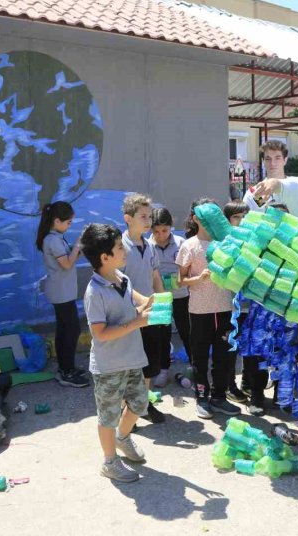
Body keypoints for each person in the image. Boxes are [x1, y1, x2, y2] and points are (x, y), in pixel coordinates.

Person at [80, 223, 154, 483]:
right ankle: (110, 462)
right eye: (120, 248)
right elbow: (100, 333)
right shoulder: (95, 292)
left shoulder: (123, 279)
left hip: (132, 358)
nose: (125, 251)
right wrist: (137, 322)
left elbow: (135, 308)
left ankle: (123, 437)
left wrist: (151, 305)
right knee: (108, 416)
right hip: (109, 366)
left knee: (140, 404)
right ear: (105, 257)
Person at [176, 199, 241, 419]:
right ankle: (202, 398)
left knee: (223, 356)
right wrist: (198, 279)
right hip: (199, 311)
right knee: (200, 358)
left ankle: (219, 397)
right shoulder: (189, 245)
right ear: (196, 218)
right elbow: (180, 281)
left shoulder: (225, 242)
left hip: (224, 308)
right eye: (207, 216)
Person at [120, 193, 166, 423]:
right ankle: (125, 411)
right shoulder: (119, 246)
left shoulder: (149, 246)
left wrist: (163, 304)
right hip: (127, 316)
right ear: (128, 218)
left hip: (150, 314)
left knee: (149, 363)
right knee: (128, 366)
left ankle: (143, 404)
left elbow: (155, 276)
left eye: (150, 216)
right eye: (143, 216)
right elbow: (117, 283)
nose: (148, 221)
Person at [36, 201, 90, 389]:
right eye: (68, 222)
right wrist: (77, 246)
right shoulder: (52, 240)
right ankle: (67, 372)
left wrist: (80, 247)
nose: (69, 226)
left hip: (63, 291)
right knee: (72, 330)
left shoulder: (56, 238)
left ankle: (65, 368)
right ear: (57, 221)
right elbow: (67, 264)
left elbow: (69, 258)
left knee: (64, 330)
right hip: (61, 293)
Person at [149, 207, 191, 386]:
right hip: (159, 298)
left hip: (181, 295)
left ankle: (195, 366)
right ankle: (163, 370)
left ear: (171, 226)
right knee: (161, 334)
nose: (160, 236)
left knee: (186, 331)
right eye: (156, 231)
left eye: (164, 231)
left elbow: (189, 267)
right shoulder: (147, 246)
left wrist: (182, 279)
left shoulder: (181, 243)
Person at [223, 201, 252, 405]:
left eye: (244, 217)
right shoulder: (225, 242)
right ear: (227, 220)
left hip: (252, 305)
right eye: (236, 217)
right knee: (231, 348)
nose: (241, 221)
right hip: (230, 306)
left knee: (250, 346)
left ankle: (248, 383)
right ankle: (229, 385)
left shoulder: (255, 241)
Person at [244, 140, 288, 210]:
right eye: (268, 159)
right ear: (263, 161)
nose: (272, 163)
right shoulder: (253, 194)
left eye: (277, 158)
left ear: (285, 160)